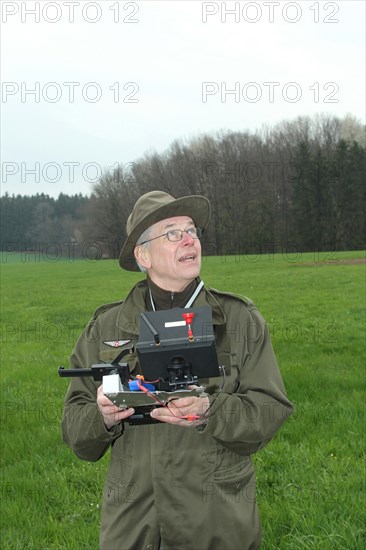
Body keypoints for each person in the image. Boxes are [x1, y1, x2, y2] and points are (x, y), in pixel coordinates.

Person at [61, 190, 293, 550]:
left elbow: (269, 412)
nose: (189, 240)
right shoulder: (106, 328)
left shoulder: (238, 320)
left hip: (218, 527)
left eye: (192, 230)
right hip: (134, 530)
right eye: (171, 232)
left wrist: (210, 410)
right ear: (143, 255)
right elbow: (77, 434)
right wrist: (103, 417)